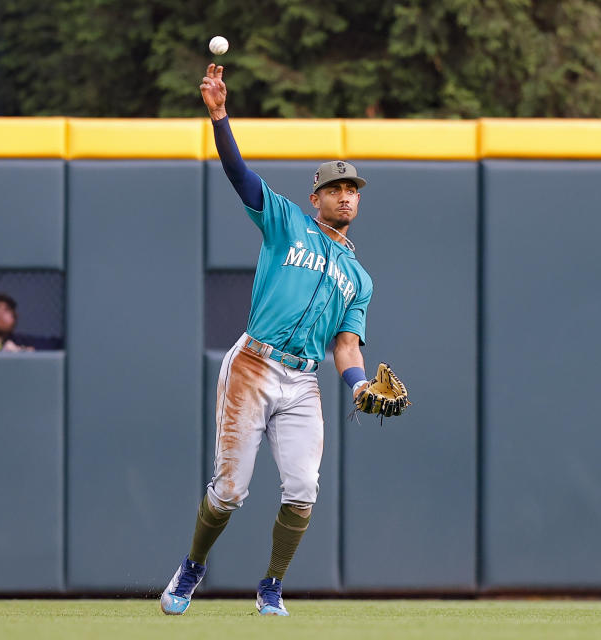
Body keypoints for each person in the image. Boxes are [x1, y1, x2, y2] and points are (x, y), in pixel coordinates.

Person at [160, 64, 384, 617]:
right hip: (254, 365)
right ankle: (192, 567)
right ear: (316, 197)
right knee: (231, 490)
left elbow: (347, 347)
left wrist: (357, 388)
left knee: (303, 490)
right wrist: (219, 117)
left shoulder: (360, 279)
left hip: (304, 380)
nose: (346, 196)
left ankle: (271, 588)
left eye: (352, 188)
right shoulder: (285, 220)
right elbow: (238, 173)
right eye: (335, 188)